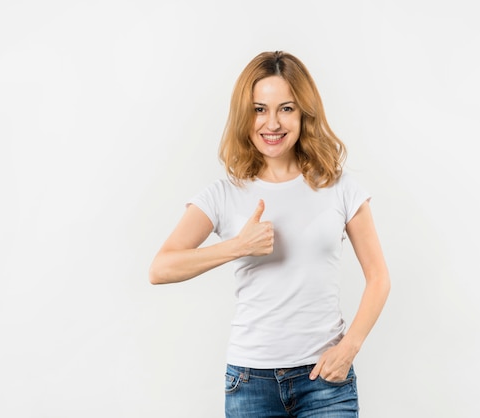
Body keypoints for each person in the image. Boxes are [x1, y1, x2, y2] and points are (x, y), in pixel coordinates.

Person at [149, 51, 390, 417]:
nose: (272, 123)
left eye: (286, 108)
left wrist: (349, 348)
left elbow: (379, 277)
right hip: (250, 383)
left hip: (325, 381)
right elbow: (161, 268)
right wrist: (237, 246)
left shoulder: (338, 187)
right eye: (259, 109)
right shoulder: (224, 193)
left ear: (304, 112)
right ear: (244, 116)